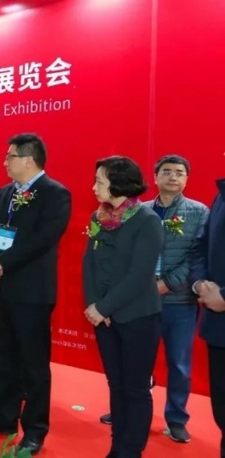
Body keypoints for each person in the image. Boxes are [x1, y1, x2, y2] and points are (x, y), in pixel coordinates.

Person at [0, 133, 71, 456]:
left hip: (31, 292)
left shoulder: (55, 194)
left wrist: (3, 261)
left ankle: (35, 429)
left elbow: (43, 239)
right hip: (1, 286)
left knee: (34, 365)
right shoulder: (6, 192)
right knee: (5, 358)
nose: (5, 162)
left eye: (10, 156)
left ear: (28, 160)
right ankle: (4, 416)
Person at [98, 155, 209, 442]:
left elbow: (197, 258)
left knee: (179, 364)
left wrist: (165, 284)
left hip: (178, 302)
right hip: (137, 302)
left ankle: (176, 418)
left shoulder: (199, 212)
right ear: (156, 177)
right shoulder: (137, 210)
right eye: (167, 171)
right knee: (134, 361)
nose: (173, 177)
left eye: (179, 173)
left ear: (187, 179)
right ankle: (127, 410)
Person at [82, 156, 163, 458]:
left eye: (99, 181)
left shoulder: (147, 220)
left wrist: (104, 307)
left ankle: (130, 451)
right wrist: (93, 304)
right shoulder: (98, 217)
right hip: (104, 318)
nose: (94, 187)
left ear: (118, 183)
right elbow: (89, 263)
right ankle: (117, 447)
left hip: (137, 317)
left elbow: (139, 276)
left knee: (135, 388)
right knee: (116, 385)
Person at [191, 175, 225, 458]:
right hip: (218, 328)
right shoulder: (221, 195)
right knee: (222, 411)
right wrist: (200, 284)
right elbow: (202, 247)